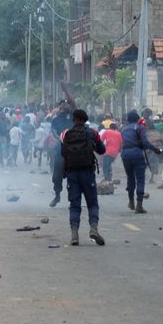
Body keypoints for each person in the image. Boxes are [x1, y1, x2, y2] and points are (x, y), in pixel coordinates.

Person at [61, 109, 106, 246]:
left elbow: (62, 153)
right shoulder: (93, 133)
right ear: (86, 120)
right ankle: (93, 228)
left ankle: (74, 234)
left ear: (73, 119)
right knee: (92, 204)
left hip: (72, 174)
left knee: (74, 205)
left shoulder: (65, 134)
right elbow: (102, 150)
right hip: (87, 173)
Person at [121, 111, 161, 213]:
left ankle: (131, 202)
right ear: (138, 119)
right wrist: (155, 149)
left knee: (130, 178)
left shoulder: (124, 129)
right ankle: (139, 205)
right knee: (140, 179)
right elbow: (145, 142)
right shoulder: (139, 127)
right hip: (137, 154)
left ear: (128, 120)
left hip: (125, 155)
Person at [49, 89, 76, 207]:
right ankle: (57, 195)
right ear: (59, 107)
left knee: (74, 176)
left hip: (74, 149)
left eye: (67, 103)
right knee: (56, 175)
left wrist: (65, 90)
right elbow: (54, 131)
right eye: (62, 104)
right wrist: (60, 139)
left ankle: (73, 199)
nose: (65, 105)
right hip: (60, 148)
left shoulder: (74, 116)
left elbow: (74, 104)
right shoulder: (55, 119)